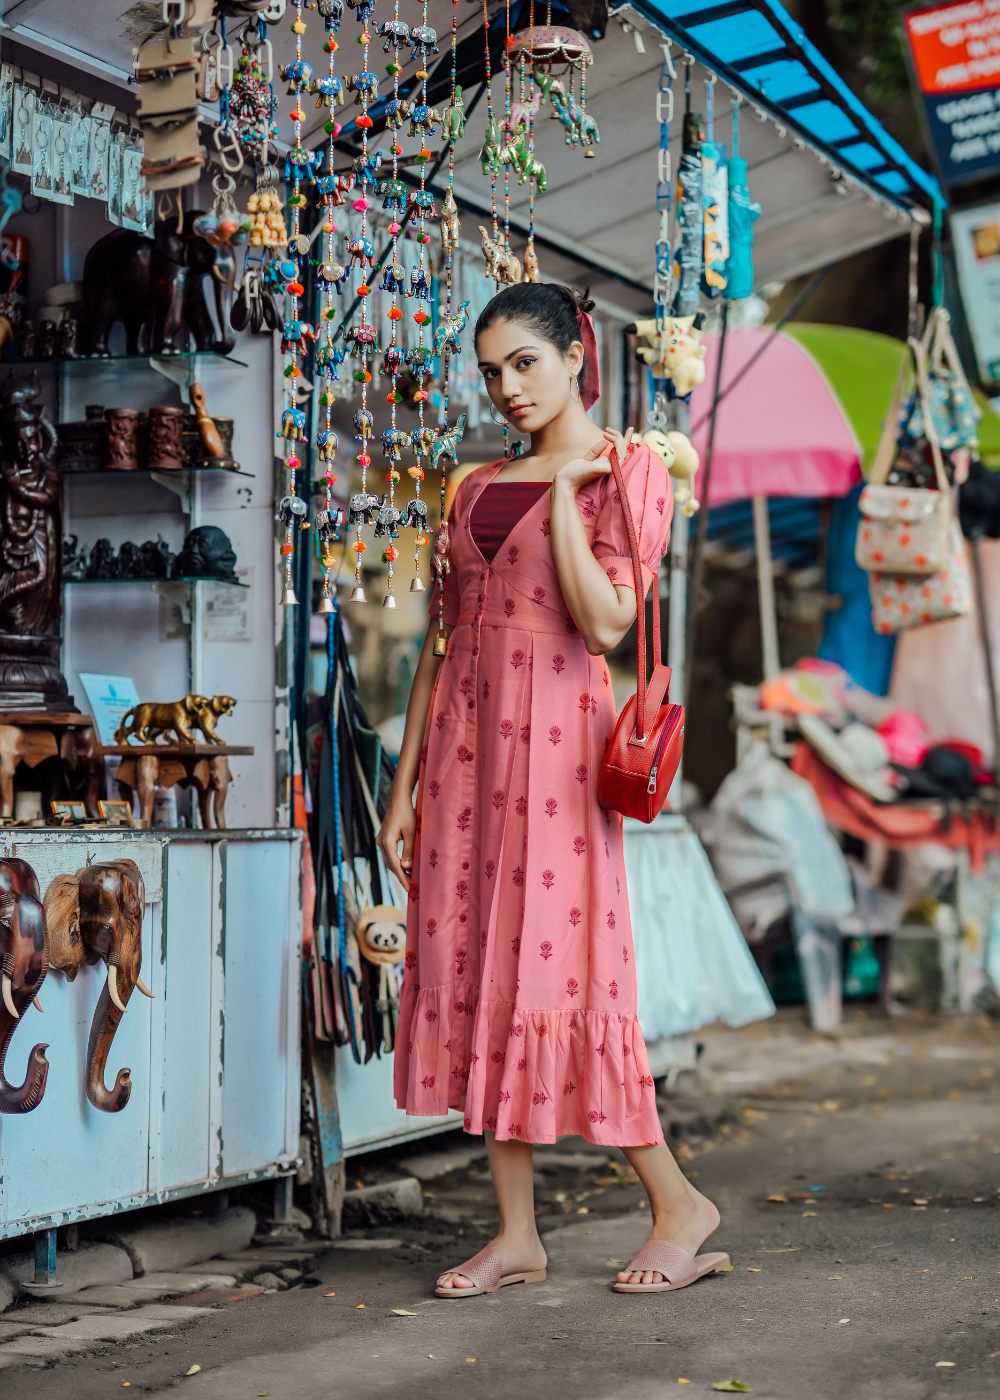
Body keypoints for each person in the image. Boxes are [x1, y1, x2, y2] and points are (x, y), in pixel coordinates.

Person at [377, 283, 727, 1296]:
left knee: (562, 975)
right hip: (461, 758)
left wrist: (572, 489)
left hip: (557, 765)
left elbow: (606, 622)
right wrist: (403, 788)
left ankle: (678, 1203)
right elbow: (438, 649)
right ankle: (518, 1234)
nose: (506, 387)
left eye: (524, 362)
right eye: (490, 370)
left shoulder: (629, 473)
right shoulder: (466, 484)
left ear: (578, 353)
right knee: (480, 966)